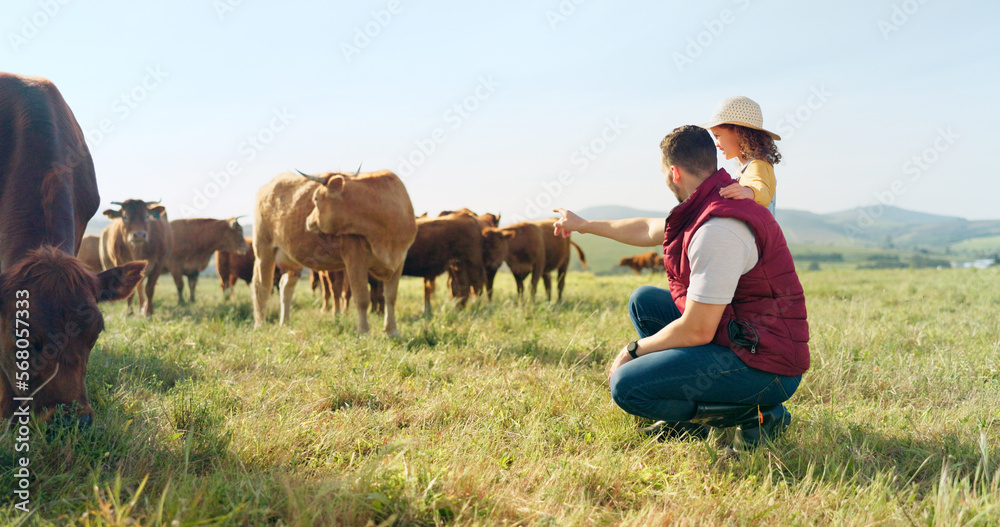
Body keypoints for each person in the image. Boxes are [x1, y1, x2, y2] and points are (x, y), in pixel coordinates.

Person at [553, 125, 808, 450]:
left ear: (674, 172)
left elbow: (699, 330)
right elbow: (646, 228)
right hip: (742, 331)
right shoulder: (708, 203)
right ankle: (693, 421)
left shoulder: (719, 230)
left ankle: (757, 413)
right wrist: (584, 226)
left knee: (628, 386)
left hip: (767, 364)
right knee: (644, 301)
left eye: (662, 173)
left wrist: (633, 350)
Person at [702, 96, 782, 215]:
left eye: (717, 136)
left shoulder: (757, 165)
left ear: (739, 133)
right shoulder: (746, 167)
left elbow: (763, 192)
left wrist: (748, 192)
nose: (716, 144)